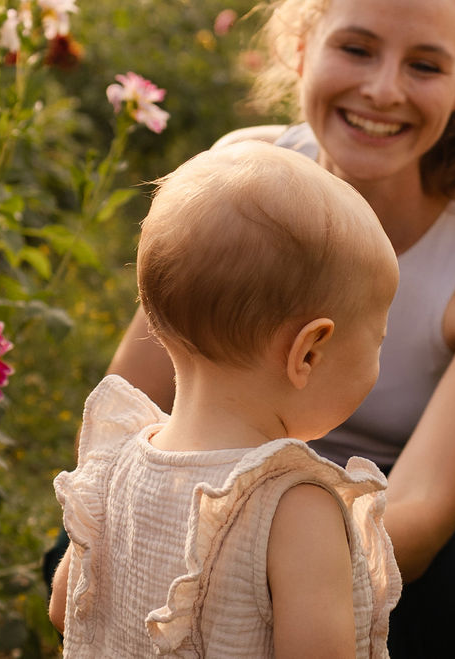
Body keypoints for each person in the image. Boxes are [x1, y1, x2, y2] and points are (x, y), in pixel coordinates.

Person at [103, 0, 455, 656]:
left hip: (417, 476)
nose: (384, 89)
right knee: (100, 520)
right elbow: (129, 400)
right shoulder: (241, 175)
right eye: (357, 49)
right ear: (303, 49)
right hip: (227, 456)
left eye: (424, 64)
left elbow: (414, 524)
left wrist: (255, 545)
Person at [48, 142, 402, 657]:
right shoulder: (295, 507)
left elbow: (65, 608)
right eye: (378, 342)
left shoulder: (115, 463)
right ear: (308, 352)